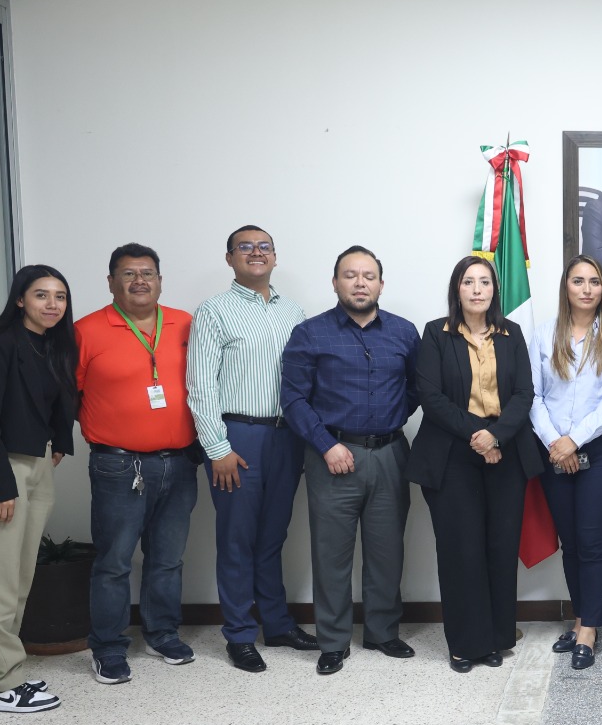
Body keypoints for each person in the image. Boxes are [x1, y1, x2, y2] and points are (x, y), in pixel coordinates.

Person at [281, 246, 420, 676]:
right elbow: (293, 399)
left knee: (387, 551)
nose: (360, 283)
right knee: (332, 554)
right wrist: (327, 444)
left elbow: (417, 388)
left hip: (390, 454)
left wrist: (389, 422)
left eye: (368, 276)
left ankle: (382, 632)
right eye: (350, 275)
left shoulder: (404, 332)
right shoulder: (310, 333)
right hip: (332, 456)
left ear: (381, 283)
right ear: (335, 282)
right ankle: (333, 641)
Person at [188, 225, 317, 673]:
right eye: (245, 247)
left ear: (275, 258)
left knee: (273, 536)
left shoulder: (294, 312)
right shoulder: (214, 311)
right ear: (230, 259)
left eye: (264, 247)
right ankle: (240, 634)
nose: (256, 253)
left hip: (287, 437)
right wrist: (216, 447)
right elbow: (200, 385)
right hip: (237, 438)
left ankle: (277, 625)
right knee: (237, 538)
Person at [407, 256, 541, 673]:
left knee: (500, 548)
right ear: (457, 289)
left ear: (495, 290)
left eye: (485, 282)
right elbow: (431, 397)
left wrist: (496, 436)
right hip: (451, 456)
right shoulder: (436, 333)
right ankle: (466, 645)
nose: (477, 289)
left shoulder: (511, 333)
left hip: (506, 453)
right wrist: (480, 436)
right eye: (469, 282)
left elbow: (524, 393)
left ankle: (496, 637)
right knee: (461, 550)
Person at [74, 243, 199, 685]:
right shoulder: (86, 330)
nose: (139, 281)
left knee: (167, 558)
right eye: (128, 274)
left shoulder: (186, 323)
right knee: (114, 561)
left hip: (178, 463)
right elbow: (66, 394)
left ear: (160, 281)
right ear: (111, 282)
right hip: (118, 467)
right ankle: (108, 647)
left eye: (147, 273)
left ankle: (162, 634)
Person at [0, 265, 77, 713]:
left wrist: (58, 443)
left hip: (37, 463)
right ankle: (5, 685)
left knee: (19, 577)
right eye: (41, 294)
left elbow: (57, 401)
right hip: (2, 467)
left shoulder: (54, 345)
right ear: (20, 299)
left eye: (60, 296)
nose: (52, 304)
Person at [530, 255, 602, 670]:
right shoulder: (545, 334)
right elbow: (533, 395)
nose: (587, 289)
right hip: (554, 450)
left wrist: (573, 440)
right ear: (566, 287)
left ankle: (590, 629)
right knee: (571, 543)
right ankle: (579, 620)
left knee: (592, 542)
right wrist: (556, 442)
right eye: (578, 281)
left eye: (594, 281)